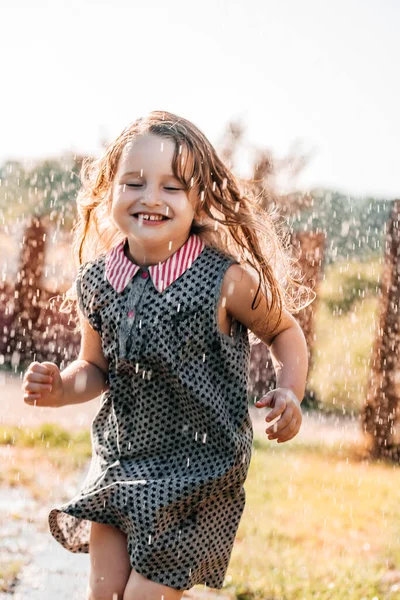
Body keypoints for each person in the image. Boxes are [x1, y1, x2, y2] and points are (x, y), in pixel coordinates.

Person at [21, 111, 309, 600]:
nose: (151, 197)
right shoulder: (98, 282)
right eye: (133, 182)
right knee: (104, 591)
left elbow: (285, 331)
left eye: (172, 187)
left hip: (201, 468)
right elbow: (95, 369)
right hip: (122, 460)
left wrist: (290, 391)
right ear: (109, 191)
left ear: (200, 202)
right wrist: (61, 389)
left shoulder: (225, 279)